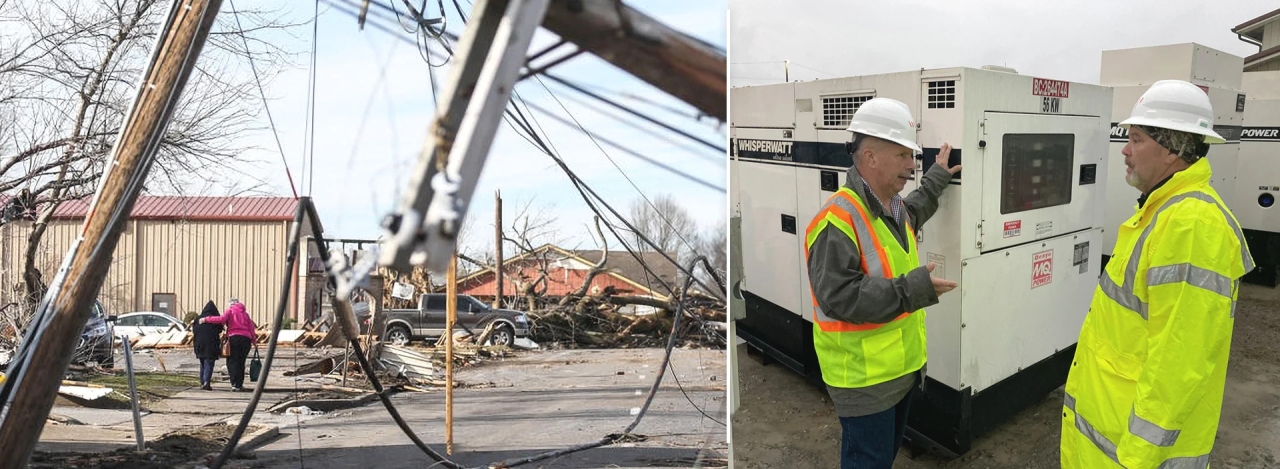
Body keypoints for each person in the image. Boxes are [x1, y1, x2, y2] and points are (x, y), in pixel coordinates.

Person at [1061, 80, 1255, 468]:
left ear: (1172, 149)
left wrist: (1136, 459)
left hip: (1132, 455)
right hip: (1107, 434)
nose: (1125, 151)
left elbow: (1180, 365)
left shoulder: (1193, 227)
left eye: (1135, 139)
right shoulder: (1162, 211)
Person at [805, 97, 961, 469]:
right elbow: (838, 297)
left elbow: (917, 206)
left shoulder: (891, 208)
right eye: (903, 155)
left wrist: (938, 175)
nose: (912, 165)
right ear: (871, 157)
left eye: (913, 156)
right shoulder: (836, 220)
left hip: (897, 375)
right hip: (864, 382)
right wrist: (913, 289)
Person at [200, 298, 257, 391]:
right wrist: (254, 341)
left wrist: (206, 319)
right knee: (241, 362)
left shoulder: (230, 311)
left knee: (232, 362)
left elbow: (221, 319)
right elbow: (251, 328)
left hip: (234, 338)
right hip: (246, 340)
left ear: (231, 305)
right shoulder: (245, 314)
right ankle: (239, 384)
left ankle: (234, 384)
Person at [191, 301, 223, 391]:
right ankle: (206, 382)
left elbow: (194, 330)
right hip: (211, 344)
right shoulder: (215, 319)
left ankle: (202, 381)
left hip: (199, 343)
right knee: (209, 362)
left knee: (202, 362)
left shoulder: (198, 319)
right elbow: (220, 330)